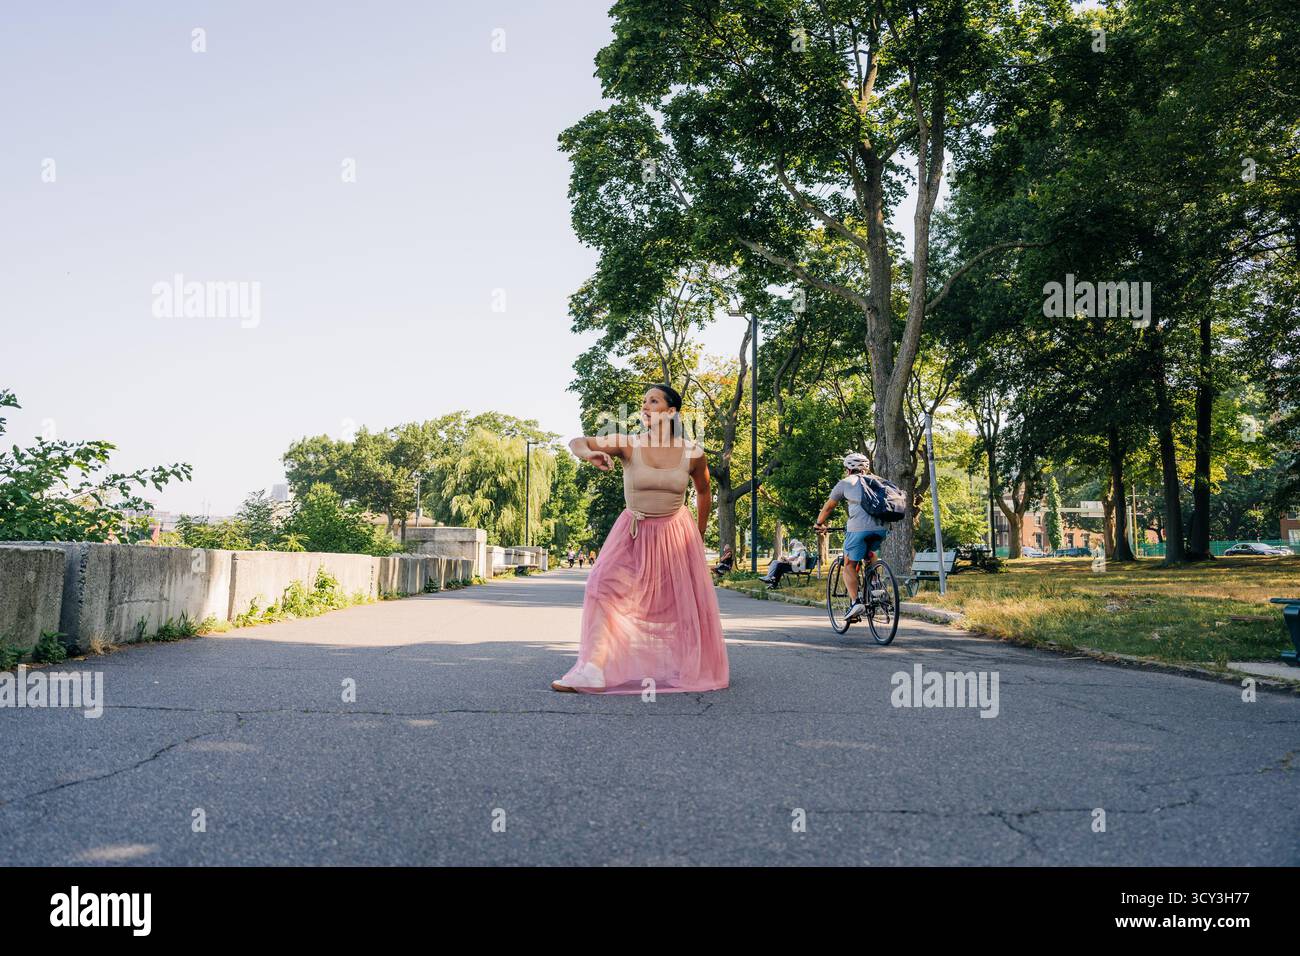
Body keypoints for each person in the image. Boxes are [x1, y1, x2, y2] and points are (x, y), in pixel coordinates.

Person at [552, 384, 729, 694]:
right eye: (644, 402)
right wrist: (589, 453)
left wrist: (698, 537)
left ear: (671, 412)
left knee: (678, 603)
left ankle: (691, 665)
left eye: (654, 401)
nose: (645, 407)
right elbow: (576, 442)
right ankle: (593, 668)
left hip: (675, 533)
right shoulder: (628, 444)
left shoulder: (693, 453)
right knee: (601, 585)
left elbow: (703, 492)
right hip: (633, 531)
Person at [813, 452, 890, 622]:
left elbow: (828, 507)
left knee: (849, 563)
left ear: (848, 469)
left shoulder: (845, 483)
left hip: (858, 529)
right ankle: (876, 584)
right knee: (870, 552)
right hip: (882, 528)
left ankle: (856, 603)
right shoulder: (879, 481)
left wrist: (819, 524)